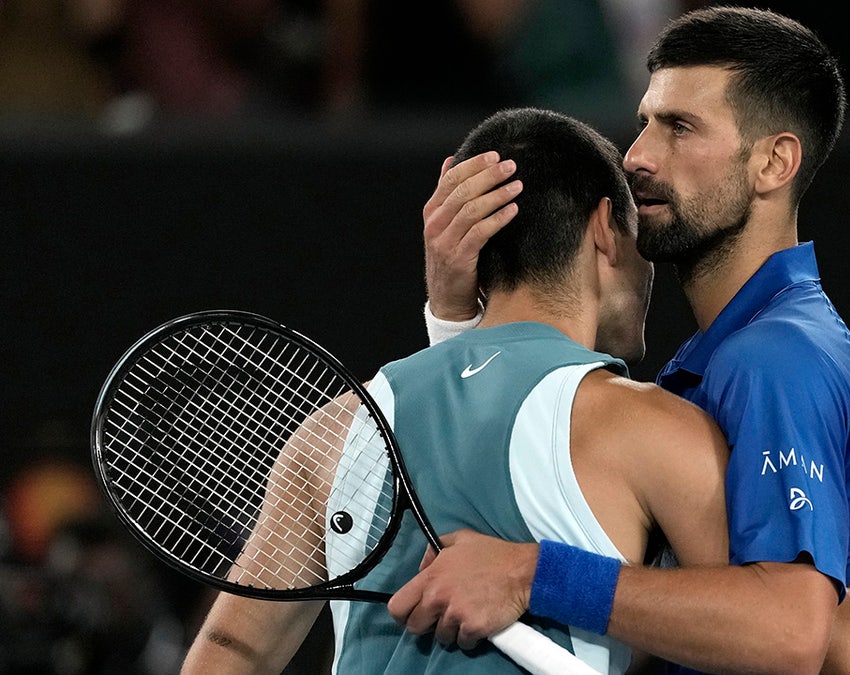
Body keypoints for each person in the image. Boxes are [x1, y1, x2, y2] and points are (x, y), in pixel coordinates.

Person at [390, 6, 850, 674]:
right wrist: (453, 320)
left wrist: (533, 573)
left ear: (775, 162)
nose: (637, 157)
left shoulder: (775, 359)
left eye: (681, 128)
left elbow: (804, 638)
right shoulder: (726, 357)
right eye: (647, 121)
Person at [180, 106, 733, 674]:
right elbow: (754, 635)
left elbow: (228, 653)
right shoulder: (654, 427)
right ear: (603, 228)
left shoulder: (333, 431)